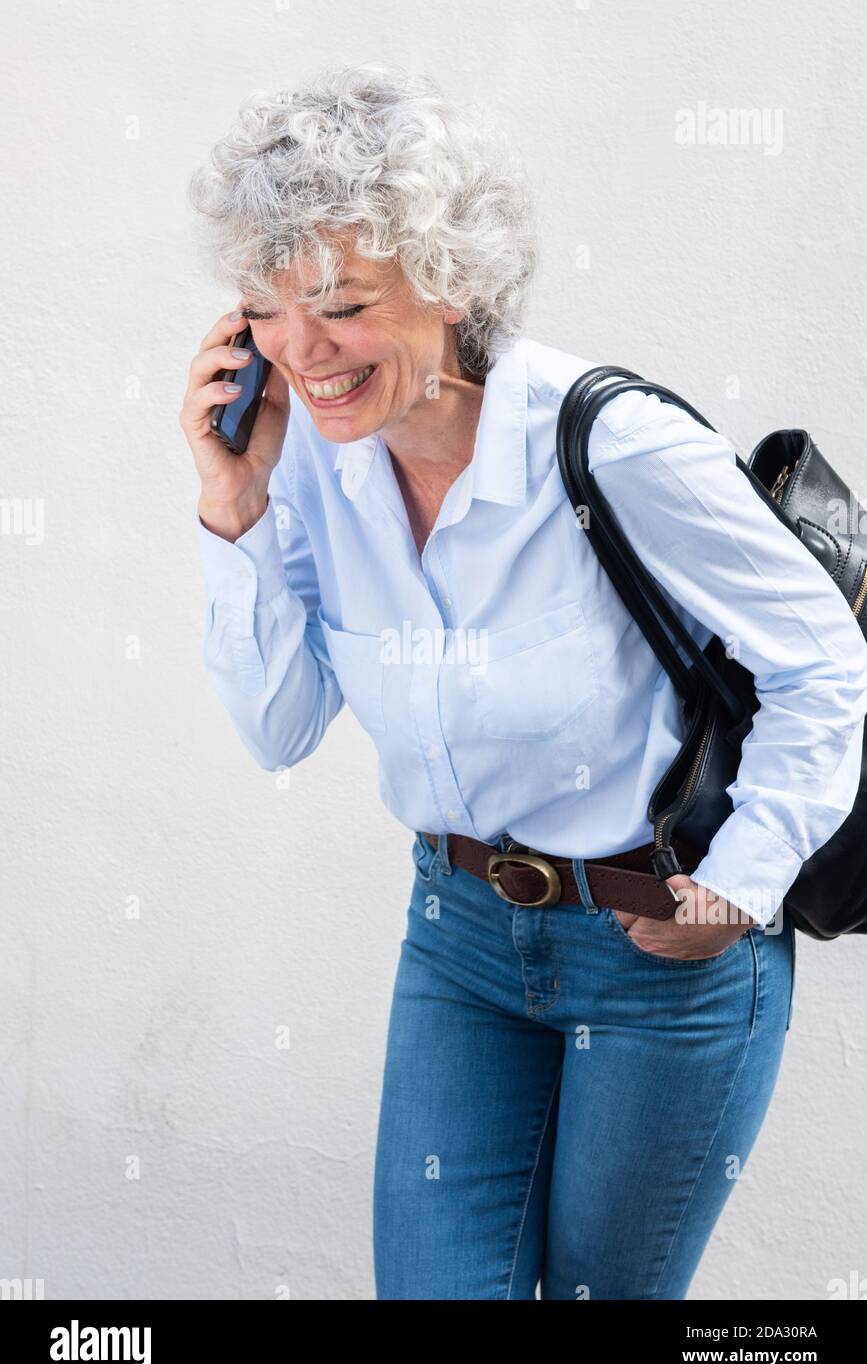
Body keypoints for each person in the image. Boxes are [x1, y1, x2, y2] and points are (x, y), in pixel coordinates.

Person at [180, 64, 867, 1299]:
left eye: (337, 303)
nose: (301, 352)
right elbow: (281, 727)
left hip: (660, 954)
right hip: (459, 943)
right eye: (267, 312)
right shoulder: (312, 468)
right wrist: (231, 509)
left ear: (447, 281)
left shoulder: (612, 442)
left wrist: (745, 880)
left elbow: (822, 656)